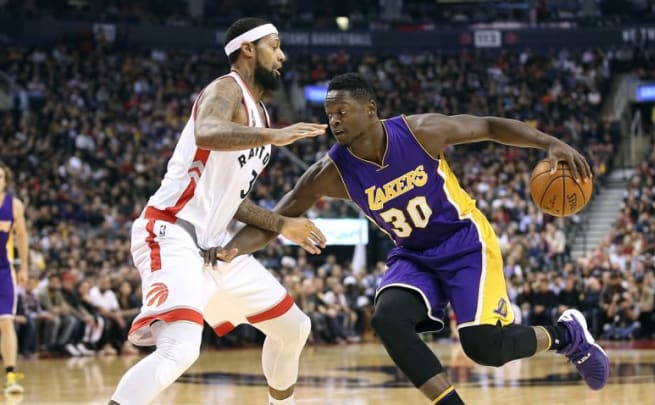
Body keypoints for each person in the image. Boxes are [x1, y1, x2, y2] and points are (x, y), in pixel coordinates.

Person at [210, 73, 610, 403]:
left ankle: (566, 334)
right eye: (330, 114)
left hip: (463, 240)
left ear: (371, 110)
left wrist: (550, 143)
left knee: (484, 347)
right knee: (387, 318)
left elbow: (488, 126)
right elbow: (277, 216)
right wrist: (231, 249)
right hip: (414, 255)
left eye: (343, 111)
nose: (334, 121)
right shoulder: (329, 173)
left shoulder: (420, 132)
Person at [109, 18, 328, 405]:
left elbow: (231, 201)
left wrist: (282, 224)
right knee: (179, 350)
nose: (282, 55)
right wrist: (272, 136)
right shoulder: (225, 89)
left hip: (213, 248)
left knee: (294, 327)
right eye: (274, 46)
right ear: (248, 49)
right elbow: (207, 130)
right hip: (171, 230)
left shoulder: (259, 112)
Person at [0, 162, 28, 394]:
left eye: (0, 177)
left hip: (3, 271)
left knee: (6, 322)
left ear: (5, 180)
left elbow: (22, 236)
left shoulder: (14, 205)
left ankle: (10, 374)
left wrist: (25, 267)